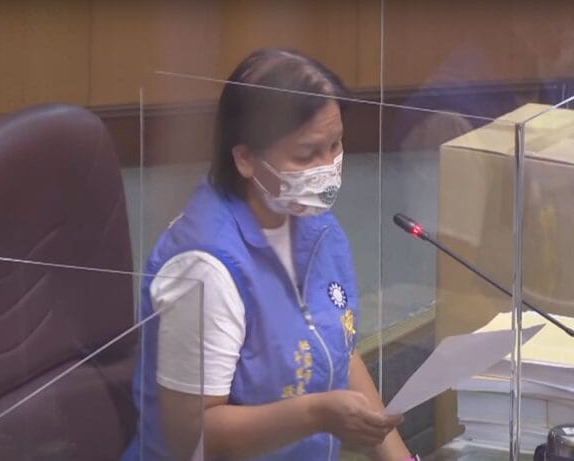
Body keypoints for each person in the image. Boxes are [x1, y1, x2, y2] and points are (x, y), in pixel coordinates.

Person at [121, 48, 415, 461]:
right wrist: (314, 415)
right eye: (306, 155)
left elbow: (338, 352)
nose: (328, 168)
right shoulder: (204, 265)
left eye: (335, 145)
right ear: (245, 158)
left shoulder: (315, 225)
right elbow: (192, 437)